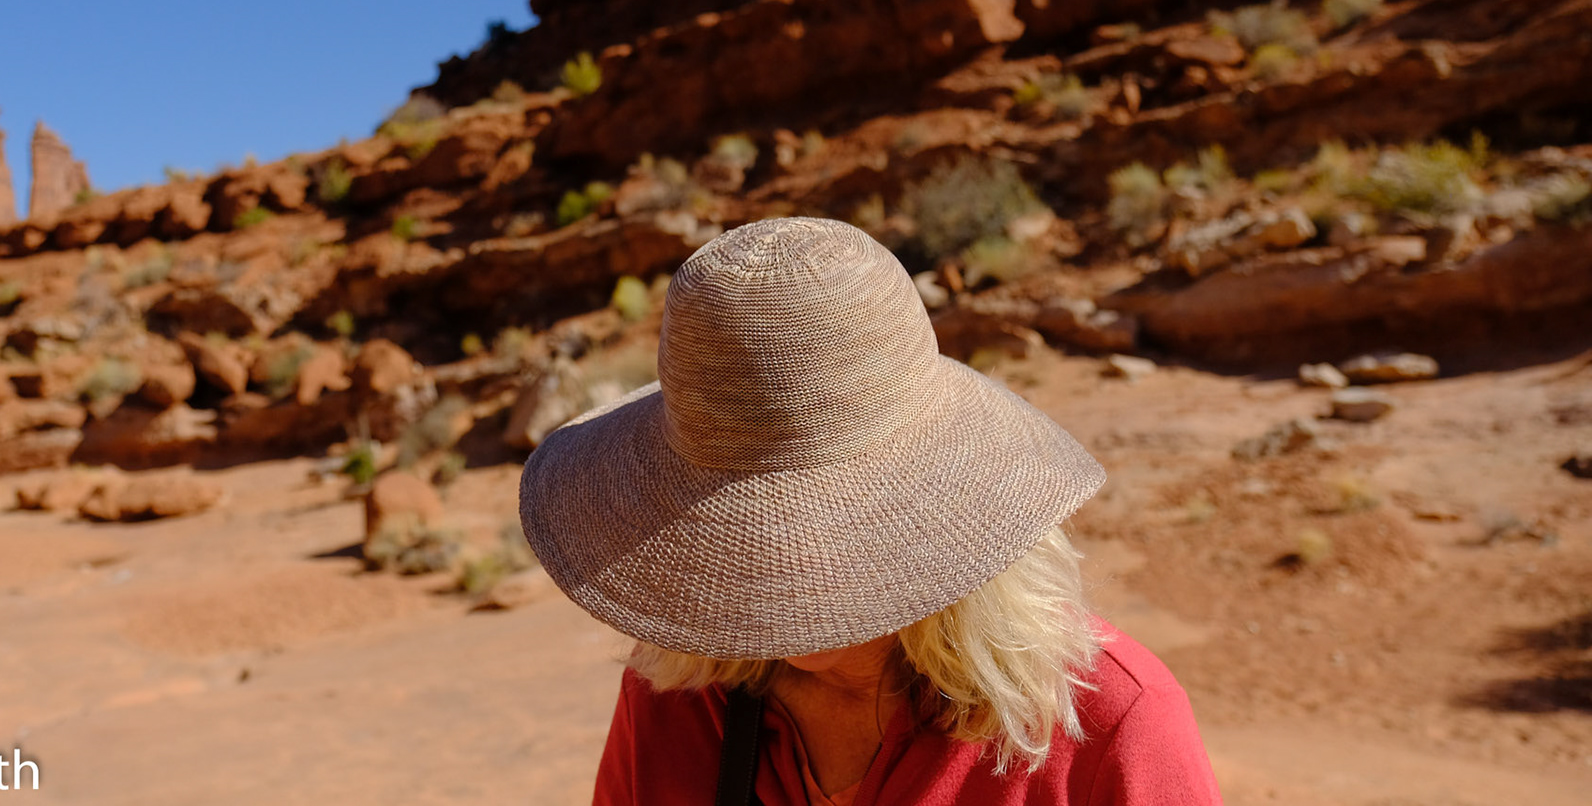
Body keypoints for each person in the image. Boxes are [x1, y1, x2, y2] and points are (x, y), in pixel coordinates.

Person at [520, 217, 1222, 805]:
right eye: (745, 530)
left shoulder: (1105, 725)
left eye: (820, 525)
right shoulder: (676, 697)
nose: (784, 568)